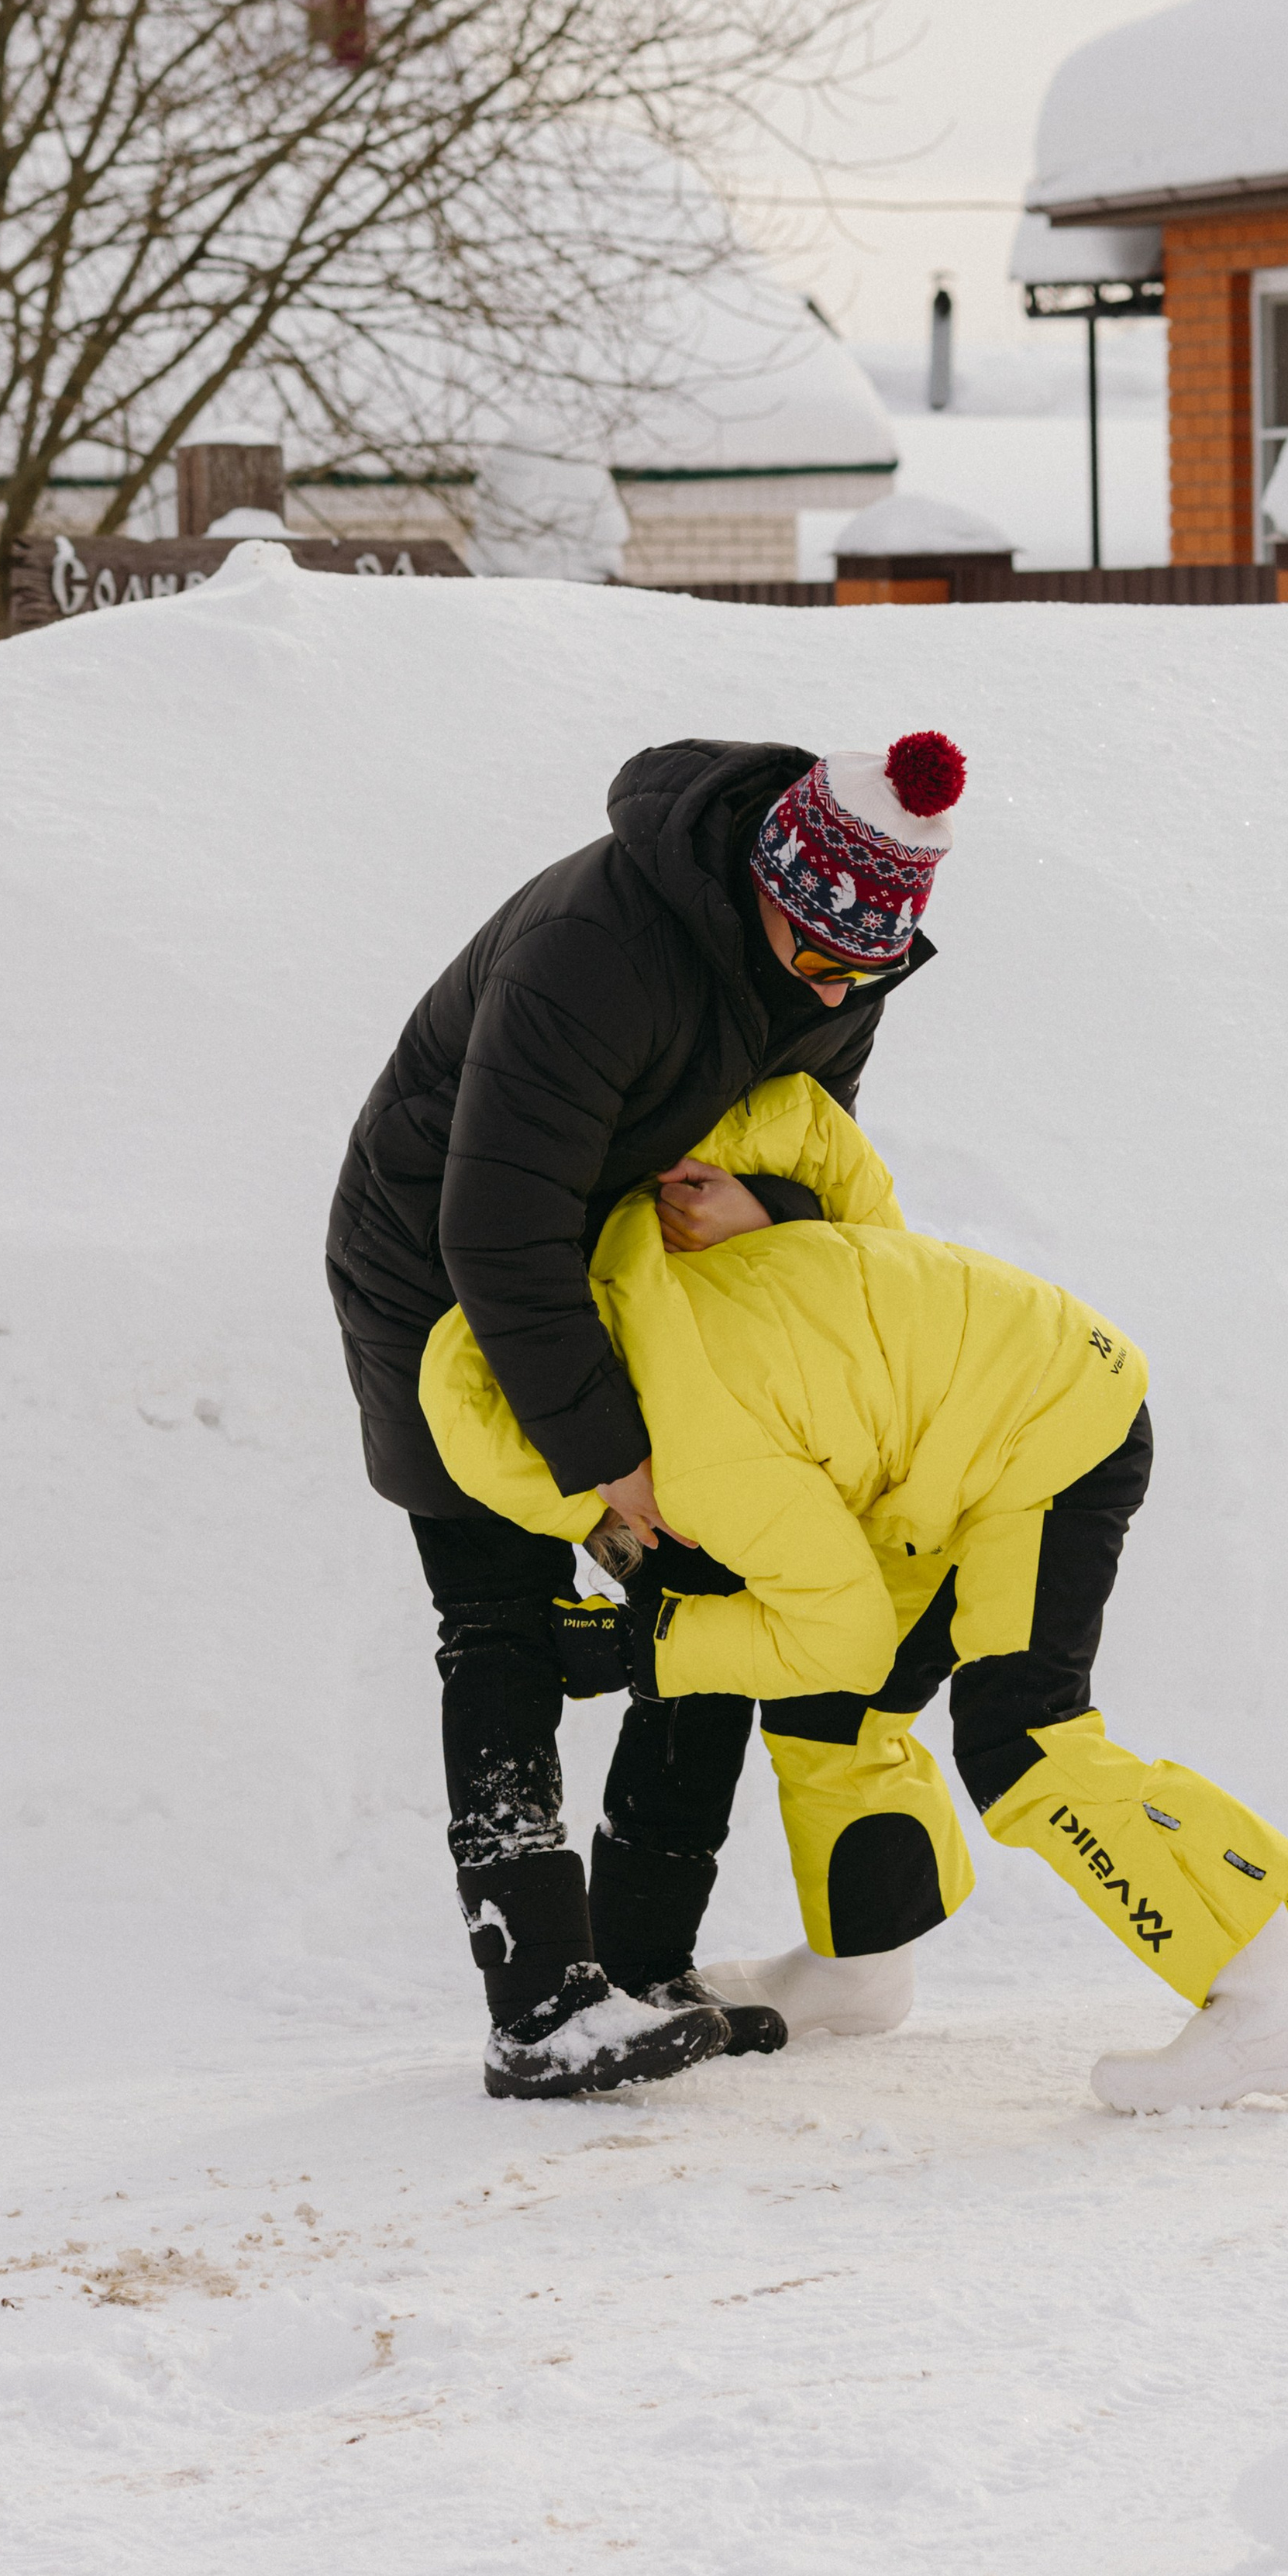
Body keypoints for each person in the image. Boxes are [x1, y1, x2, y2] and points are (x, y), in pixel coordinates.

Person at [421, 1082, 1288, 2113]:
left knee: (1023, 1739)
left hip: (1051, 1433)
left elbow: (839, 1629)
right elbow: (804, 1119)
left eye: (596, 1512)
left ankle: (1263, 1996)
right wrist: (774, 1202)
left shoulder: (698, 1448)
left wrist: (648, 1649)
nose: (629, 1533)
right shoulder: (636, 1252)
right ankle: (859, 1966)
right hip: (941, 1437)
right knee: (834, 1716)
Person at [326, 732, 965, 2097]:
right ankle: (542, 2000)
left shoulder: (844, 955)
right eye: (817, 954)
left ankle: (640, 1961)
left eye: (867, 968)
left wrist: (771, 1213)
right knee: (492, 1607)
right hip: (440, 1276)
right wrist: (611, 1459)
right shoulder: (597, 945)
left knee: (724, 1564)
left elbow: (804, 1154)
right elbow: (496, 1228)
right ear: (766, 881)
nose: (838, 988)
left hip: (631, 1270)